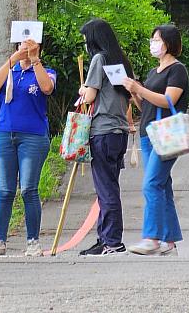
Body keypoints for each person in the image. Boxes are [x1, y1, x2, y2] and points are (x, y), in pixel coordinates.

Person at [0, 38, 56, 257]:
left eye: (31, 47)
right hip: (5, 134)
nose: (25, 50)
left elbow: (47, 88)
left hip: (33, 135)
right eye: (22, 46)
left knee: (28, 189)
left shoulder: (46, 71)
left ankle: (33, 241)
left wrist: (35, 61)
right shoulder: (10, 71)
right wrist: (12, 61)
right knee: (4, 191)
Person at [122, 24, 189, 256]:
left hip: (167, 134)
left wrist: (140, 90)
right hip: (148, 133)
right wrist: (135, 93)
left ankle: (151, 237)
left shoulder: (177, 70)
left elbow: (168, 100)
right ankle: (169, 240)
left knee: (152, 184)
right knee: (162, 186)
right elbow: (147, 106)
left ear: (168, 43)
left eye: (157, 39)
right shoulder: (153, 72)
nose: (153, 43)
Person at [77, 18, 135, 256]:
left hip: (102, 130)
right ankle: (105, 237)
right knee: (109, 186)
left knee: (106, 189)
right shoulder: (121, 61)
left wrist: (82, 90)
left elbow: (90, 96)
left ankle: (111, 241)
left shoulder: (98, 59)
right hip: (119, 132)